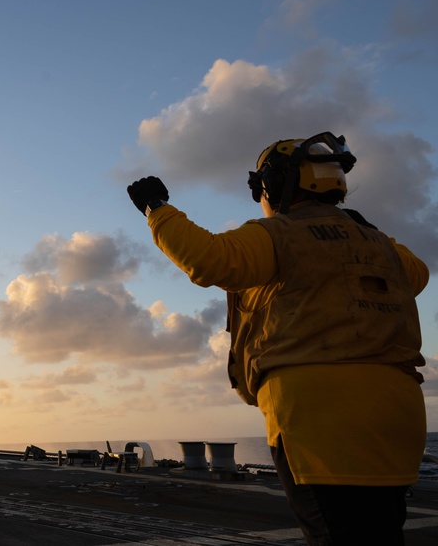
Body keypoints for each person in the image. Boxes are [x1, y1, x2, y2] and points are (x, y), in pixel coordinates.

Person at [127, 132, 428, 545]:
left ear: (272, 184)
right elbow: (418, 276)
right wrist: (365, 235)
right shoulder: (384, 246)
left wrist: (157, 209)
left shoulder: (281, 234)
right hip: (399, 414)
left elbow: (210, 260)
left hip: (319, 418)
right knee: (380, 532)